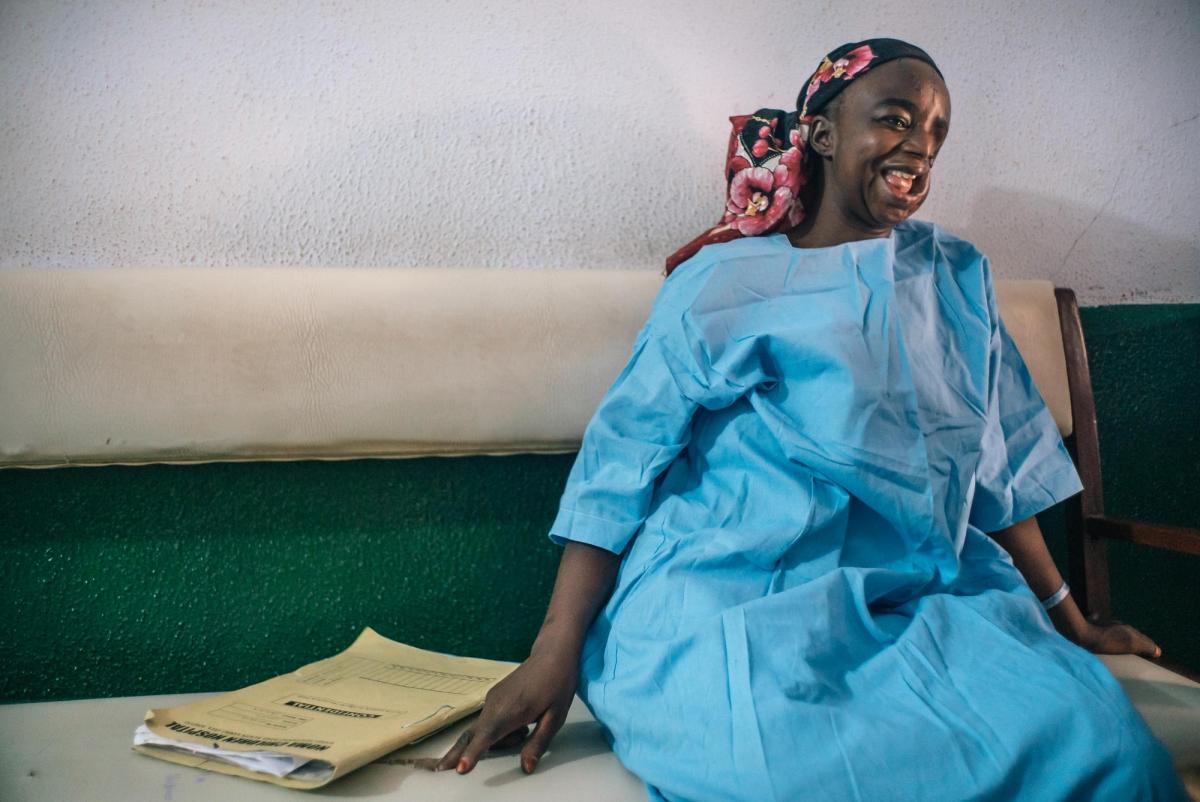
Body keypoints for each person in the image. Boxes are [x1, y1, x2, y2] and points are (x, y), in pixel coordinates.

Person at [438, 39, 1188, 801]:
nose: (918, 147)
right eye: (895, 119)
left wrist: (1075, 623)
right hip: (735, 597)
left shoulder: (954, 275)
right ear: (823, 134)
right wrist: (552, 653)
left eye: (935, 132)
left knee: (1113, 755)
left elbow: (997, 469)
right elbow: (618, 470)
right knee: (781, 768)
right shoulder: (721, 281)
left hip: (928, 596)